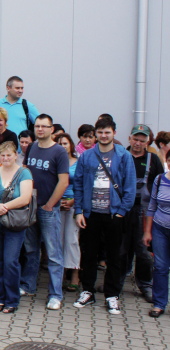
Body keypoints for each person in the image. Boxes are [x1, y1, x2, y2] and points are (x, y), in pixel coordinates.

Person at [72, 118, 137, 315]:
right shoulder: (87, 156)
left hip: (114, 214)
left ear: (114, 133)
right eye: (100, 132)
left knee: (114, 256)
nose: (103, 135)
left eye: (107, 132)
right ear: (96, 135)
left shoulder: (124, 156)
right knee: (89, 254)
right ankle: (87, 291)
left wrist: (121, 212)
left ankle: (112, 295)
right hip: (91, 213)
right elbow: (78, 184)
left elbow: (130, 187)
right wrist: (79, 211)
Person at [19, 114, 70, 310]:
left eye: (44, 126)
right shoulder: (32, 147)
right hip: (30, 207)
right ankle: (28, 286)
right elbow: (26, 172)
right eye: (37, 126)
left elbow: (63, 182)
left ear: (51, 129)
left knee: (53, 254)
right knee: (31, 250)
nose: (40, 129)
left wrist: (49, 205)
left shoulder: (59, 152)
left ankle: (56, 295)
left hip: (49, 210)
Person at [0, 142, 34, 313]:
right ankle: (1, 298)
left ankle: (12, 300)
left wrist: (2, 208)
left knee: (10, 261)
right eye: (2, 155)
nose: (6, 158)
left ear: (16, 155)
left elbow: (25, 198)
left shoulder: (24, 173)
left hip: (14, 223)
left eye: (9, 155)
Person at [126, 124, 164, 303]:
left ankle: (145, 285)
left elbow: (161, 184)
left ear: (147, 142)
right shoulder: (121, 156)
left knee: (143, 250)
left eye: (142, 141)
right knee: (120, 248)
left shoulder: (153, 159)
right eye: (135, 139)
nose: (138, 143)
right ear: (130, 138)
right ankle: (115, 283)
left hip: (144, 210)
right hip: (123, 209)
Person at [54, 132, 81, 292]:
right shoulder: (54, 162)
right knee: (58, 241)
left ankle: (75, 274)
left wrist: (73, 201)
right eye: (59, 144)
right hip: (57, 204)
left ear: (70, 144)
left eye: (65, 143)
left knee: (72, 240)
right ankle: (62, 274)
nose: (63, 146)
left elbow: (83, 185)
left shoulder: (79, 162)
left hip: (73, 204)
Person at [143, 168, 170, 317]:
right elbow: (152, 205)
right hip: (159, 229)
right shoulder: (159, 179)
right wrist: (147, 231)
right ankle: (159, 304)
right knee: (160, 266)